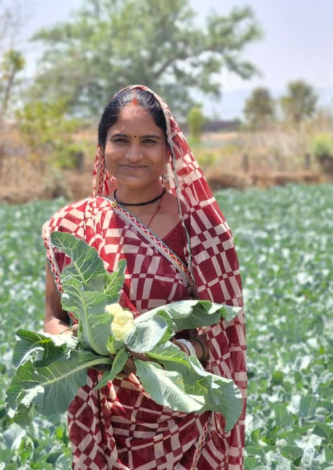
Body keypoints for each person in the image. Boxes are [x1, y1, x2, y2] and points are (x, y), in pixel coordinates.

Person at [42, 85, 246, 469]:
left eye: (148, 141)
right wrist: (85, 349)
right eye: (120, 140)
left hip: (185, 422)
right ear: (102, 147)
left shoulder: (201, 231)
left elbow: (223, 336)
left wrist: (162, 354)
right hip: (103, 421)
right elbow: (55, 316)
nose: (134, 154)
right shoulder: (72, 226)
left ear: (169, 150)